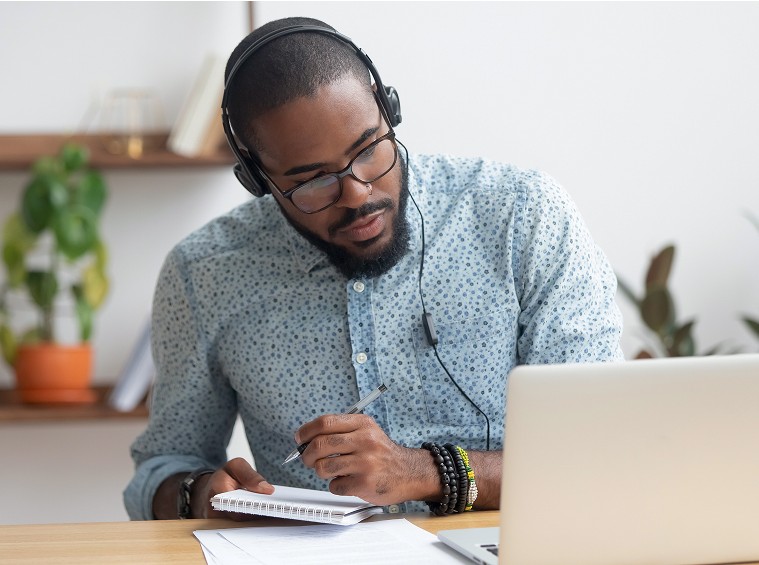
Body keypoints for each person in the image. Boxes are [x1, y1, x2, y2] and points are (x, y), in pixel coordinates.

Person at [124, 16, 623, 521]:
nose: (357, 193)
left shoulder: (523, 216)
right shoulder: (203, 274)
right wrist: (199, 494)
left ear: (390, 111)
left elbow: (603, 451)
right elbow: (161, 469)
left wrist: (424, 472)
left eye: (368, 150)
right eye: (313, 181)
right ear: (257, 179)